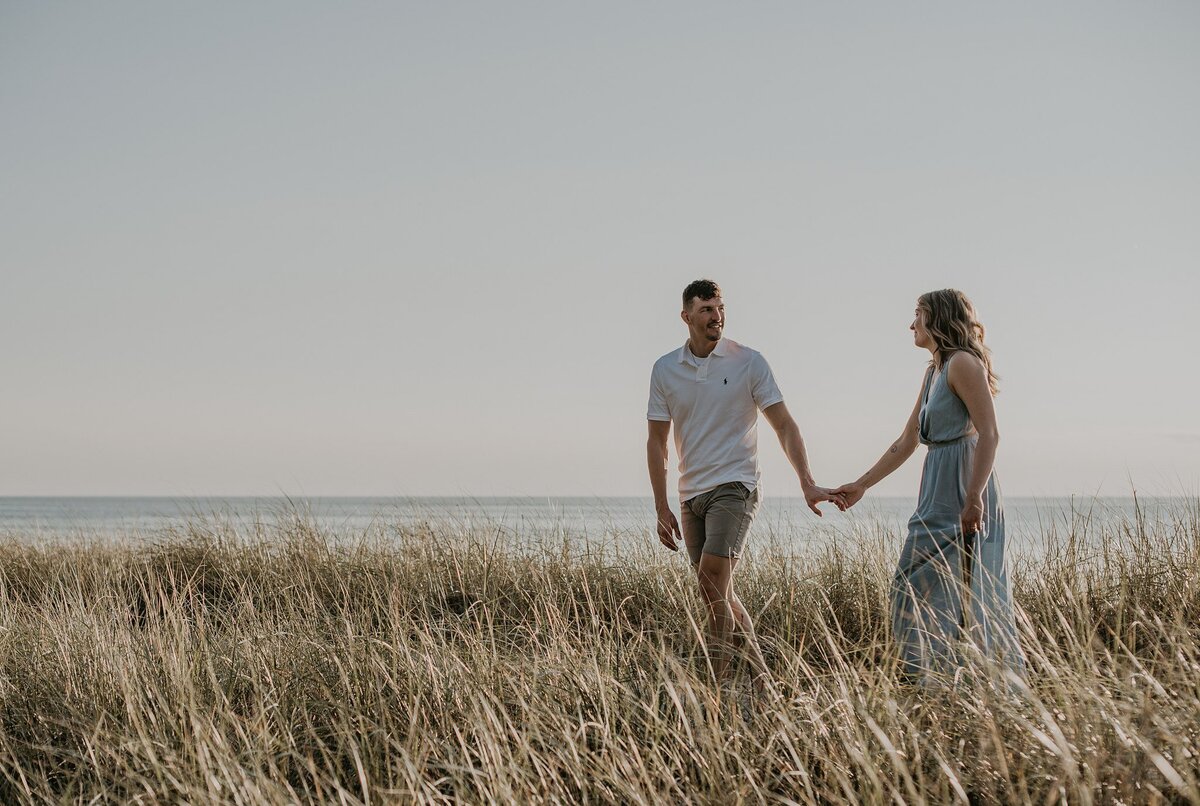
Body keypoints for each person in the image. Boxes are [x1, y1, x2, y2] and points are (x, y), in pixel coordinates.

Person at [647, 279, 843, 689]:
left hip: (736, 486)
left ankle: (716, 695)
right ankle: (763, 684)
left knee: (712, 580)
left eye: (720, 308)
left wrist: (806, 481)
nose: (716, 316)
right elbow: (657, 441)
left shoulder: (748, 362)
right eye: (706, 310)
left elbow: (784, 425)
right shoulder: (665, 370)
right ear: (686, 317)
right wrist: (661, 505)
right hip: (690, 493)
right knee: (716, 591)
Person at [834, 289, 1024, 685]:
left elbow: (989, 434)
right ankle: (933, 682)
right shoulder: (933, 370)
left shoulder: (963, 364)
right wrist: (861, 485)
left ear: (937, 318)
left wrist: (973, 497)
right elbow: (906, 441)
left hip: (965, 486)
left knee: (972, 594)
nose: (911, 324)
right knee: (911, 587)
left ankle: (972, 685)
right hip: (936, 487)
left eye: (917, 314)